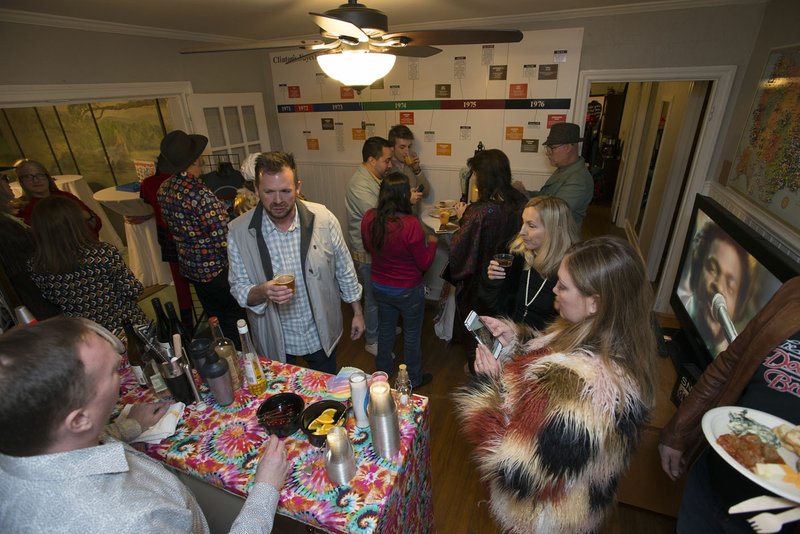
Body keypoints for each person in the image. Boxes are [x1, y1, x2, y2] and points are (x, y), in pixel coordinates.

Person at [0, 316, 288, 533]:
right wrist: (264, 490)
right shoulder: (130, 521)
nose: (120, 363)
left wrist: (126, 428)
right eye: (114, 372)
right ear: (78, 420)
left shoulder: (22, 447)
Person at [454, 236, 658, 533]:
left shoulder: (580, 393)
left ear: (595, 303)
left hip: (545, 520)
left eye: (563, 286)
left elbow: (515, 471)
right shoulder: (606, 336)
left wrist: (486, 387)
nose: (554, 289)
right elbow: (551, 355)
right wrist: (515, 340)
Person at [659, 276, 800, 533]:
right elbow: (730, 362)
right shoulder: (794, 292)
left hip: (777, 521)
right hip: (711, 483)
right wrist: (678, 431)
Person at [228, 151, 365, 374]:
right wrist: (263, 291)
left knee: (324, 394)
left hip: (319, 333)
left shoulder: (323, 218)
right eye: (269, 192)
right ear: (256, 189)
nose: (278, 200)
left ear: (298, 187)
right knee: (284, 398)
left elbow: (344, 267)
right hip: (275, 339)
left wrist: (357, 312)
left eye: (285, 191)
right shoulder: (238, 231)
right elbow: (238, 287)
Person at [156, 130, 245, 345]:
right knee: (233, 317)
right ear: (196, 160)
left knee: (214, 316)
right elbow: (223, 237)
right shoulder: (199, 194)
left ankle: (225, 350)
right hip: (217, 270)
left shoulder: (164, 189)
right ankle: (241, 355)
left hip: (191, 267)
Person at [449, 148, 527, 367]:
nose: (473, 177)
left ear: (483, 177)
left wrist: (462, 217)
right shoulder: (520, 202)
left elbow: (458, 250)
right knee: (503, 328)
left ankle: (480, 366)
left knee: (480, 328)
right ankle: (504, 362)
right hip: (512, 279)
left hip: (481, 284)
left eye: (475, 173)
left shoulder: (479, 211)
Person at [361, 172, 437, 388]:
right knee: (412, 334)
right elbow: (424, 263)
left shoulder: (369, 217)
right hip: (407, 290)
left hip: (379, 286)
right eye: (409, 191)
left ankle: (382, 373)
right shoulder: (410, 223)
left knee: (386, 328)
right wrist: (431, 243)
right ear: (403, 195)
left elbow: (369, 247)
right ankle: (414, 377)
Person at [28, 195, 147, 331]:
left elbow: (52, 300)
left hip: (83, 333)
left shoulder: (37, 265)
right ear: (77, 223)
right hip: (125, 327)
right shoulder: (103, 253)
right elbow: (133, 290)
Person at [480, 195, 577, 331]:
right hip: (506, 337)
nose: (521, 232)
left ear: (554, 231)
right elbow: (491, 307)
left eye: (531, 225)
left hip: (543, 347)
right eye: (523, 222)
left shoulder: (570, 272)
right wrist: (492, 282)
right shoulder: (515, 256)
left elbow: (569, 330)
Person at [345, 137, 397, 357]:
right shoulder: (360, 184)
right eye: (387, 161)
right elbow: (380, 214)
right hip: (366, 252)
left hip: (377, 248)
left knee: (381, 294)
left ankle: (383, 328)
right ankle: (372, 339)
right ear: (371, 159)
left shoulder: (373, 177)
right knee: (373, 299)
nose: (390, 165)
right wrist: (404, 202)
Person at [680, 220, 752, 357]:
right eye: (712, 269)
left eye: (730, 286)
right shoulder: (682, 303)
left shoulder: (730, 357)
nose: (718, 286)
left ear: (738, 308)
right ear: (697, 270)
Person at [139, 155, 194, 330]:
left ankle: (187, 324)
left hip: (170, 238)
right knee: (194, 284)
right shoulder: (185, 185)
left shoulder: (150, 184)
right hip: (187, 240)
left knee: (181, 285)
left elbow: (153, 206)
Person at [0, 169, 61, 320]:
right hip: (36, 298)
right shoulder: (3, 225)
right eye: (5, 179)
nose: (9, 184)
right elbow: (23, 265)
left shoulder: (6, 216)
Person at [516, 122, 594, 232]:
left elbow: (552, 212)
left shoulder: (579, 179)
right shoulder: (564, 169)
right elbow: (543, 196)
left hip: (560, 241)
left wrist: (524, 196)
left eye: (551, 148)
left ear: (567, 147)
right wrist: (523, 192)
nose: (548, 153)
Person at [14, 158, 102, 239]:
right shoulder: (22, 207)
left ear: (47, 177)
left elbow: (96, 222)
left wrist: (87, 216)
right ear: (22, 182)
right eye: (28, 177)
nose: (36, 180)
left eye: (40, 175)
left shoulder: (65, 196)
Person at [388, 124, 429, 211]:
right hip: (396, 221)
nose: (407, 151)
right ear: (392, 148)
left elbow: (426, 193)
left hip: (413, 220)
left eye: (409, 147)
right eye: (402, 147)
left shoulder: (411, 165)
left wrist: (417, 170)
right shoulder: (387, 167)